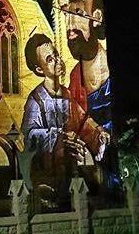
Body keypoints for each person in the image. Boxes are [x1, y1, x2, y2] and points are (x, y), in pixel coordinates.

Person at [20, 34, 109, 197]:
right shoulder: (36, 99)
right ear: (39, 69)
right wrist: (58, 136)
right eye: (49, 59)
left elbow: (83, 119)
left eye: (56, 55)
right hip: (47, 167)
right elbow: (30, 134)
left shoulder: (67, 94)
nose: (57, 61)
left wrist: (99, 132)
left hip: (72, 162)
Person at [52, 0, 117, 186]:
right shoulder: (73, 79)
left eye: (78, 12)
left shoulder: (108, 77)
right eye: (64, 13)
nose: (69, 25)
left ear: (97, 16)